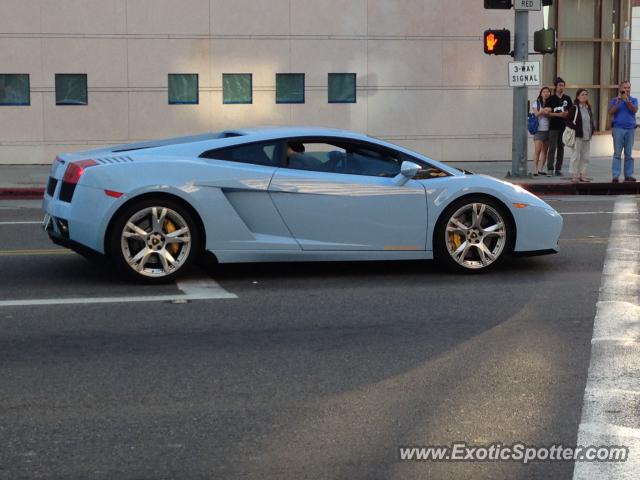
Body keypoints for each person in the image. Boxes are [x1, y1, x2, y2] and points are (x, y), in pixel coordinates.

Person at [608, 80, 637, 183]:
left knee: (628, 154)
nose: (626, 90)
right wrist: (617, 102)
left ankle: (628, 175)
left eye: (628, 87)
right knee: (617, 153)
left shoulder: (633, 100)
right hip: (618, 128)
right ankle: (615, 176)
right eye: (624, 88)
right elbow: (610, 112)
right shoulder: (614, 100)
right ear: (620, 89)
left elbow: (634, 110)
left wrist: (626, 101)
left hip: (630, 129)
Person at [565, 89, 595, 183]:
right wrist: (575, 128)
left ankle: (582, 175)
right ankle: (574, 175)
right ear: (578, 96)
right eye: (582, 94)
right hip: (578, 136)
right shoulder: (575, 108)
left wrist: (592, 130)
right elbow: (567, 120)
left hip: (587, 136)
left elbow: (590, 121)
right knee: (575, 156)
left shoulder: (588, 108)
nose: (584, 96)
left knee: (585, 157)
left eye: (586, 94)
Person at [546, 77, 573, 177]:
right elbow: (547, 114)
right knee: (552, 148)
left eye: (563, 85)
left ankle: (558, 169)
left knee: (561, 147)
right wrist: (558, 115)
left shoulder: (567, 98)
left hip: (564, 126)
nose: (561, 87)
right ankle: (550, 168)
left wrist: (567, 114)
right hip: (553, 126)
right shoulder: (551, 99)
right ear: (556, 87)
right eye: (559, 85)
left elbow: (571, 111)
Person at [532, 86, 552, 176]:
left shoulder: (551, 103)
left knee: (545, 151)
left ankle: (540, 169)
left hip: (548, 129)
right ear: (541, 93)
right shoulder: (536, 103)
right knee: (538, 150)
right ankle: (535, 169)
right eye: (544, 92)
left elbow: (551, 114)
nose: (546, 93)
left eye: (548, 92)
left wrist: (546, 112)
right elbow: (536, 114)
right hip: (539, 130)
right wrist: (544, 110)